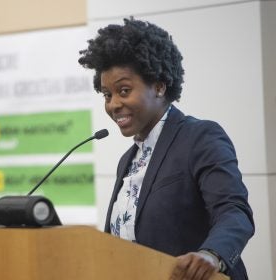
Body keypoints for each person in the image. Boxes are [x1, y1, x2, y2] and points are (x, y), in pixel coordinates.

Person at [78, 18, 254, 280]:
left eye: (124, 90)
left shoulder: (199, 137)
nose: (113, 104)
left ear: (159, 86)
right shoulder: (128, 160)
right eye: (107, 95)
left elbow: (234, 211)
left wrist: (211, 255)